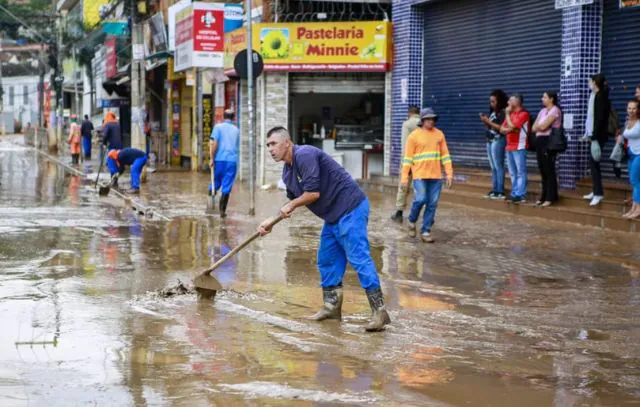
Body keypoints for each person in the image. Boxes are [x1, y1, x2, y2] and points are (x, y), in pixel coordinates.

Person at [258, 126, 390, 332]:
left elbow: (312, 194)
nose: (270, 149)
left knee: (358, 257)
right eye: (268, 145)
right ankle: (332, 307)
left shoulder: (305, 154)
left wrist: (290, 206)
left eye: (273, 144)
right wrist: (270, 222)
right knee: (327, 259)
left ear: (287, 142)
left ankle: (379, 312)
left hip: (351, 208)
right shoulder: (287, 173)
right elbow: (292, 202)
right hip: (333, 217)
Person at [401, 108, 453, 243]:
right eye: (428, 119)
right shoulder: (413, 136)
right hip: (419, 175)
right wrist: (404, 178)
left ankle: (426, 231)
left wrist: (449, 174)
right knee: (420, 199)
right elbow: (407, 159)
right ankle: (412, 220)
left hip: (435, 176)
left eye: (433, 119)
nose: (431, 121)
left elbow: (445, 156)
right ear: (422, 120)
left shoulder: (439, 135)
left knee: (432, 204)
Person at [582, 74, 610, 206]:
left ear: (595, 82)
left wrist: (594, 135)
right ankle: (596, 190)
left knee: (594, 163)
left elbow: (599, 119)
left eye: (590, 82)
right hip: (593, 135)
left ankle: (598, 194)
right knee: (593, 164)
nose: (589, 84)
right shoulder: (595, 96)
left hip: (598, 136)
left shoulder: (600, 97)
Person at [531, 91, 562, 207]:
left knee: (549, 168)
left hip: (549, 141)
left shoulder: (555, 110)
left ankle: (551, 197)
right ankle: (543, 196)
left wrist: (540, 126)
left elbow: (544, 126)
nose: (542, 99)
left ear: (551, 99)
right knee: (542, 169)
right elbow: (533, 127)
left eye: (544, 97)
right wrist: (540, 126)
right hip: (539, 141)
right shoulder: (542, 111)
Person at [390, 106, 421, 222]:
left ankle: (399, 213)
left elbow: (405, 145)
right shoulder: (423, 124)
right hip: (421, 162)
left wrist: (404, 162)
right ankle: (416, 213)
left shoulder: (407, 124)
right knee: (419, 187)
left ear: (409, 113)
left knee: (403, 186)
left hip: (409, 161)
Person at [209, 109, 240, 218]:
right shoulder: (237, 130)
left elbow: (214, 143)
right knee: (226, 186)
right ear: (233, 117)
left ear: (223, 116)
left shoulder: (218, 128)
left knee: (214, 183)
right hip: (232, 162)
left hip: (219, 160)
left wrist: (212, 158)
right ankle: (222, 212)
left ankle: (210, 208)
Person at [500, 94, 530, 203]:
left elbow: (513, 126)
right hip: (509, 146)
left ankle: (520, 194)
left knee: (520, 171)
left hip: (519, 146)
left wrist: (507, 115)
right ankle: (515, 192)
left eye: (510, 100)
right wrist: (509, 128)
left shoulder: (524, 114)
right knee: (512, 172)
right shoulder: (511, 114)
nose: (508, 102)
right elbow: (502, 129)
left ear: (517, 102)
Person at [480, 89, 508, 200]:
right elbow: (490, 126)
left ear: (499, 101)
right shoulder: (493, 112)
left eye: (493, 101)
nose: (491, 104)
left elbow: (501, 128)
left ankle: (500, 191)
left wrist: (489, 121)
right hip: (490, 140)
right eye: (490, 101)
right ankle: (495, 189)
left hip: (498, 140)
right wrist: (485, 121)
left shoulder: (503, 112)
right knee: (493, 167)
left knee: (498, 166)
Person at [620, 100, 640, 218]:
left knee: (635, 180)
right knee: (634, 182)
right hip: (630, 154)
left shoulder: (639, 123)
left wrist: (622, 135)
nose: (631, 111)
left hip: (639, 154)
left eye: (634, 108)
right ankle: (634, 207)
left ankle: (638, 209)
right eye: (629, 108)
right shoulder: (627, 122)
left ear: (638, 110)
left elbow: (627, 134)